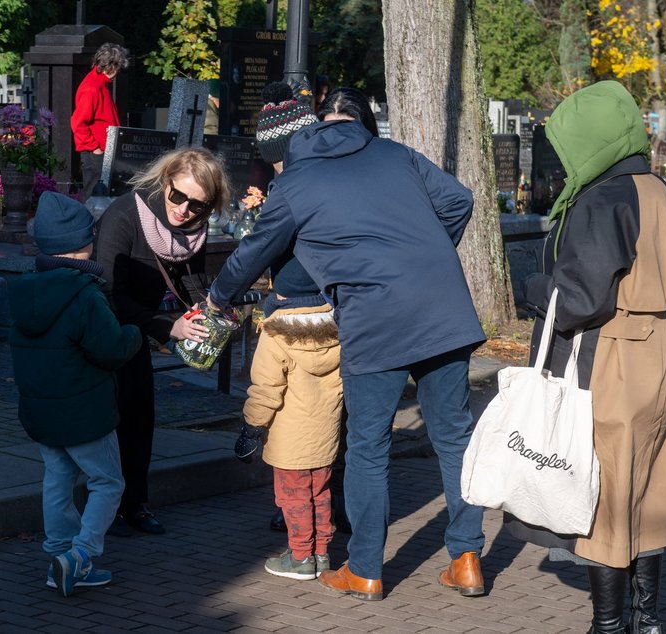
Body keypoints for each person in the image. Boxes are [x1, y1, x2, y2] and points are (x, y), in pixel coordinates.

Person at [207, 107, 487, 602]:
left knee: (368, 446)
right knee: (455, 439)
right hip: (443, 308)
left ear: (286, 151)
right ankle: (466, 559)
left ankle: (365, 570)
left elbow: (251, 253)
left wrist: (216, 298)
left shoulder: (295, 183)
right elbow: (459, 200)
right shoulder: (396, 153)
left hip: (376, 319)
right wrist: (425, 256)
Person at [515, 80, 666, 633]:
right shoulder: (656, 188)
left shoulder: (602, 198)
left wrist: (532, 288)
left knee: (608, 498)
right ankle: (647, 620)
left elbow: (580, 300)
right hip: (659, 359)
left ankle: (610, 627)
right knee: (649, 491)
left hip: (611, 361)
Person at [8, 191, 142, 597]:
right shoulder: (85, 294)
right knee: (108, 482)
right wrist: (135, 333)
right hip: (85, 411)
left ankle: (59, 558)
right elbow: (112, 349)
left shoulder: (25, 292)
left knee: (57, 479)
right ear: (88, 241)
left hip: (41, 412)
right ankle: (80, 555)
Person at [233, 81, 342, 581]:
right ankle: (322, 552)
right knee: (321, 490)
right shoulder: (336, 332)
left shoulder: (277, 333)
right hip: (324, 436)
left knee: (293, 493)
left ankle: (300, 557)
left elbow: (264, 388)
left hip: (290, 440)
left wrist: (252, 426)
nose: (276, 170)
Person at [93, 147, 231, 536]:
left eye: (198, 205)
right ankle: (101, 506)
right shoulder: (126, 215)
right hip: (107, 329)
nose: (185, 210)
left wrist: (211, 309)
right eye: (178, 196)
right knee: (109, 420)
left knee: (140, 417)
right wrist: (167, 327)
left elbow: (191, 279)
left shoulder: (193, 230)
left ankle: (134, 503)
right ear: (165, 182)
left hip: (138, 331)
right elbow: (109, 293)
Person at [71, 42, 130, 199]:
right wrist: (95, 148)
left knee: (104, 198)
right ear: (111, 65)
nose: (118, 72)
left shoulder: (99, 83)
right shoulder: (92, 87)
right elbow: (78, 122)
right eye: (118, 67)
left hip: (104, 151)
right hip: (96, 153)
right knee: (95, 199)